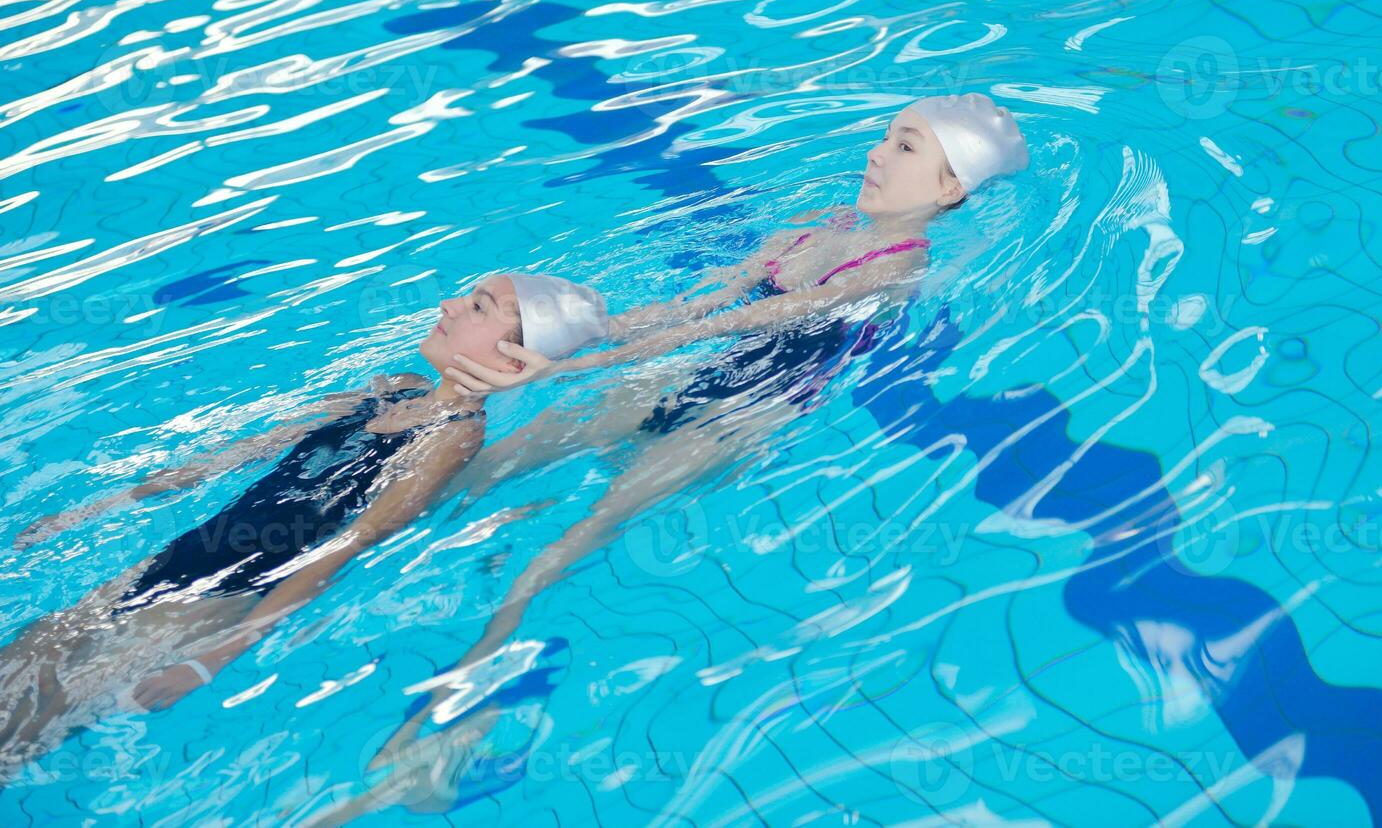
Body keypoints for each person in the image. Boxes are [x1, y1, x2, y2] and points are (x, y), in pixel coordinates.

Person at [368, 93, 1030, 780]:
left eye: (905, 146)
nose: (875, 152)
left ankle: (448, 717)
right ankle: (340, 540)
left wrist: (577, 365)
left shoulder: (896, 267)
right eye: (887, 135)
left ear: (950, 186)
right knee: (487, 466)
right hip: (678, 378)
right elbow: (694, 308)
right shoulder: (813, 228)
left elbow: (739, 325)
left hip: (739, 415)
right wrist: (580, 341)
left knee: (559, 552)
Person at [0, 273, 608, 779]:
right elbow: (244, 450)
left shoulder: (451, 437)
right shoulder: (396, 388)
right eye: (465, 294)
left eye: (479, 307)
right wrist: (103, 505)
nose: (449, 304)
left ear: (515, 355)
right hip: (183, 553)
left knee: (48, 708)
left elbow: (353, 543)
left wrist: (215, 655)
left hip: (227, 590)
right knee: (30, 649)